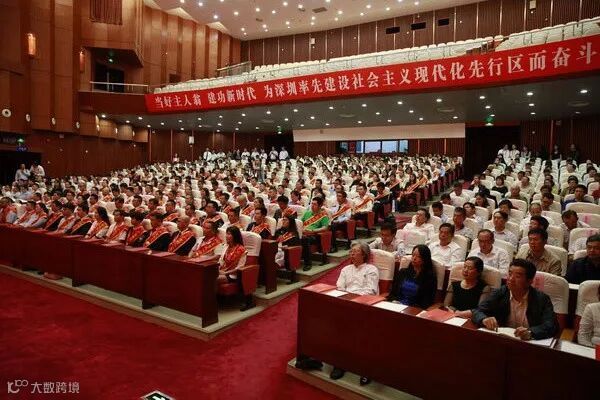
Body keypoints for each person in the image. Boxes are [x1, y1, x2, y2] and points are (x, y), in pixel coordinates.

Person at [330, 242, 380, 385]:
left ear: (364, 254)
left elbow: (370, 291)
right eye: (351, 251)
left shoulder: (371, 269)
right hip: (345, 305)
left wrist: (351, 297)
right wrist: (347, 298)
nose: (351, 254)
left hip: (364, 306)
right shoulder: (346, 269)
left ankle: (365, 367)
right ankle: (340, 363)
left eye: (355, 251)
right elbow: (339, 287)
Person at [471, 259, 559, 340]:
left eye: (517, 276)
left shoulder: (541, 299)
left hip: (528, 343)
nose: (511, 279)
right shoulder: (500, 292)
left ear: (529, 281)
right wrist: (484, 319)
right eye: (510, 274)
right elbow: (477, 311)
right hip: (502, 340)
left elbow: (551, 325)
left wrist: (531, 332)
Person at [387, 245, 437, 309]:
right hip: (396, 306)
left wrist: (408, 308)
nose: (414, 258)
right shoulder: (402, 272)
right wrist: (394, 301)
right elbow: (393, 293)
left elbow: (426, 302)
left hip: (414, 309)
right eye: (413, 255)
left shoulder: (430, 277)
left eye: (418, 256)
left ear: (425, 259)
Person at [218, 226, 253, 310]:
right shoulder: (226, 246)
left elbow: (240, 268)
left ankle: (212, 301)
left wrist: (225, 273)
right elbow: (221, 260)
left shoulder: (241, 249)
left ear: (235, 236)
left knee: (212, 279)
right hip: (223, 271)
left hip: (233, 275)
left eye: (229, 234)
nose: (226, 236)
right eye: (226, 233)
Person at [300, 197, 330, 270]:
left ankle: (308, 263)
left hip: (315, 235)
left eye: (315, 204)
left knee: (305, 240)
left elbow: (325, 228)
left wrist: (312, 231)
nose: (312, 206)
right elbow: (300, 223)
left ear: (320, 206)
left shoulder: (323, 215)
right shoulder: (307, 213)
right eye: (312, 204)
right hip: (304, 233)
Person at [274, 215, 301, 281]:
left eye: (285, 220)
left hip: (286, 252)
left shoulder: (294, 233)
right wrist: (278, 237)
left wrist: (287, 246)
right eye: (283, 219)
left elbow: (296, 245)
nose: (283, 221)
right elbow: (275, 236)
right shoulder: (280, 230)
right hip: (277, 250)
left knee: (275, 259)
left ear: (290, 222)